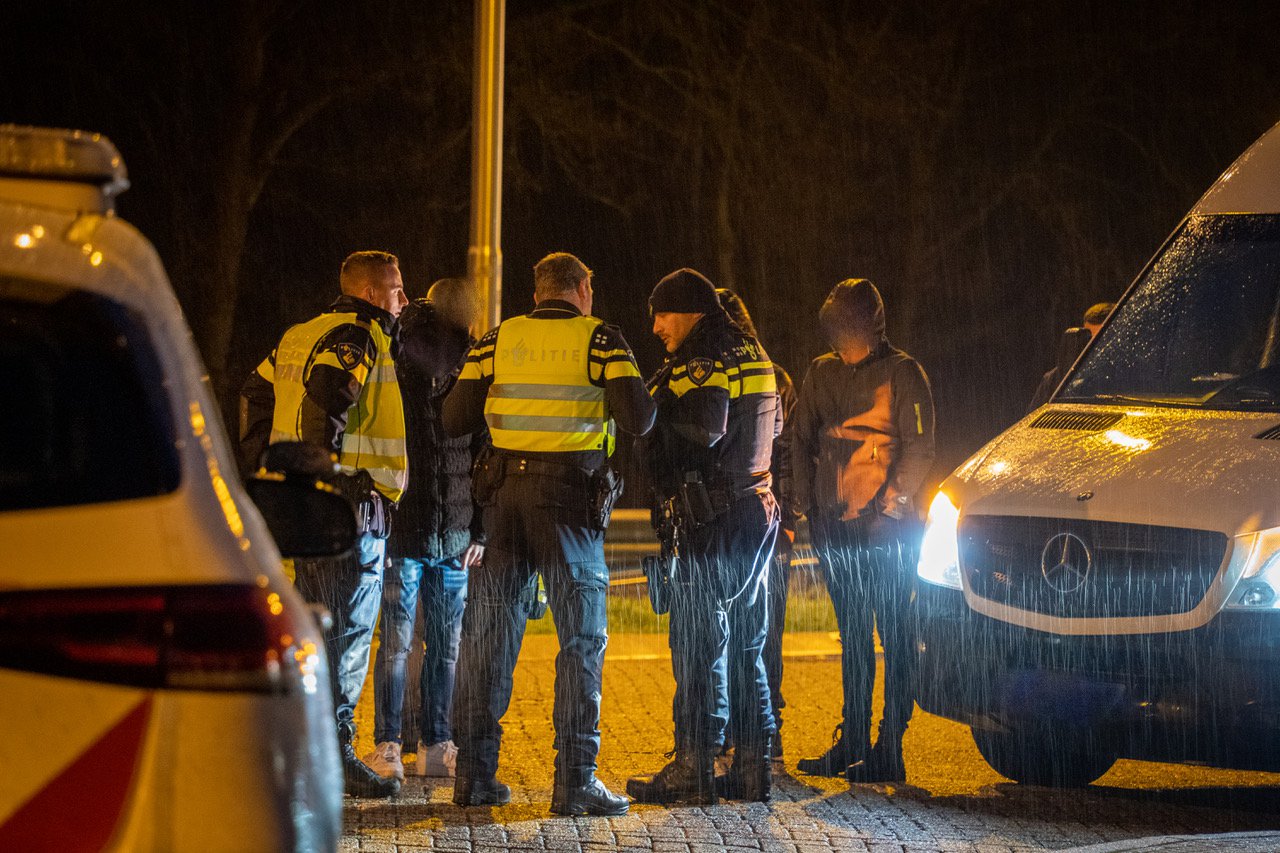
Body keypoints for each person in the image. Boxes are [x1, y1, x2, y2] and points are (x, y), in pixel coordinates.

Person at [442, 252, 654, 816]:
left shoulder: (495, 339)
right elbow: (641, 417)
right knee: (581, 641)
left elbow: (454, 418)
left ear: (537, 294)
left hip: (503, 502)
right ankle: (575, 780)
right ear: (583, 289)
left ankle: (474, 776)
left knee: (489, 639)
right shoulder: (601, 340)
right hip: (569, 505)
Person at [627, 269, 781, 805]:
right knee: (747, 644)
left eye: (662, 314)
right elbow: (772, 427)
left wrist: (658, 411)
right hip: (755, 511)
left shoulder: (703, 356)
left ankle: (693, 764)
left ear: (690, 311)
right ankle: (752, 765)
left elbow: (704, 426)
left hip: (711, 519)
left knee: (698, 645)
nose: (655, 326)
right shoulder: (753, 350)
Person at [260, 250, 409, 798]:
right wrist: (334, 474)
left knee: (316, 623)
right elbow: (330, 389)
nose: (404, 299)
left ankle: (303, 746)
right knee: (346, 632)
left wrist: (274, 462)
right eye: (396, 289)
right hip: (351, 510)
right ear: (371, 293)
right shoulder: (360, 332)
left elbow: (255, 391)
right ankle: (334, 753)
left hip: (304, 506)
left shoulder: (299, 332)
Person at [792, 278, 935, 784]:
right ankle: (852, 737)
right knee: (853, 635)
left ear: (867, 327)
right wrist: (805, 506)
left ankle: (888, 744)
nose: (837, 339)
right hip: (835, 526)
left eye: (843, 328)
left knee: (895, 634)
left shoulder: (902, 373)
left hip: (888, 532)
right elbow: (799, 438)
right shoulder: (821, 372)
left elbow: (919, 447)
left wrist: (894, 503)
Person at [363, 278, 487, 783]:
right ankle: (423, 743)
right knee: (436, 642)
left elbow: (478, 446)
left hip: (418, 525)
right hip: (440, 526)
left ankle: (399, 746)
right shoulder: (467, 358)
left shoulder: (398, 349)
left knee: (401, 642)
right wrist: (480, 527)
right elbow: (483, 450)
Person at [715, 288, 798, 769]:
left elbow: (784, 454)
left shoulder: (764, 376)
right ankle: (751, 731)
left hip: (760, 521)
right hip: (763, 519)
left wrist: (789, 519)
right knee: (757, 630)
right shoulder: (771, 372)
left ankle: (763, 730)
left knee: (758, 632)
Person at [1028, 302, 1114, 411]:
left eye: (1101, 339)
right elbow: (1031, 419)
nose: (1093, 346)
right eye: (1089, 339)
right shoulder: (1058, 378)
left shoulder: (1130, 376)